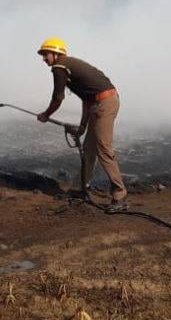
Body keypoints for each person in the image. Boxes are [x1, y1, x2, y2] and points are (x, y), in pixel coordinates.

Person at [36, 37, 128, 213]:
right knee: (89, 149)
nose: (43, 59)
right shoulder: (66, 66)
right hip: (99, 103)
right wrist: (83, 126)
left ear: (55, 53)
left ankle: (120, 196)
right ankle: (81, 189)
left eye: (45, 54)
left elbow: (58, 98)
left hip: (105, 103)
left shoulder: (59, 67)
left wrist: (46, 115)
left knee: (103, 148)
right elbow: (87, 99)